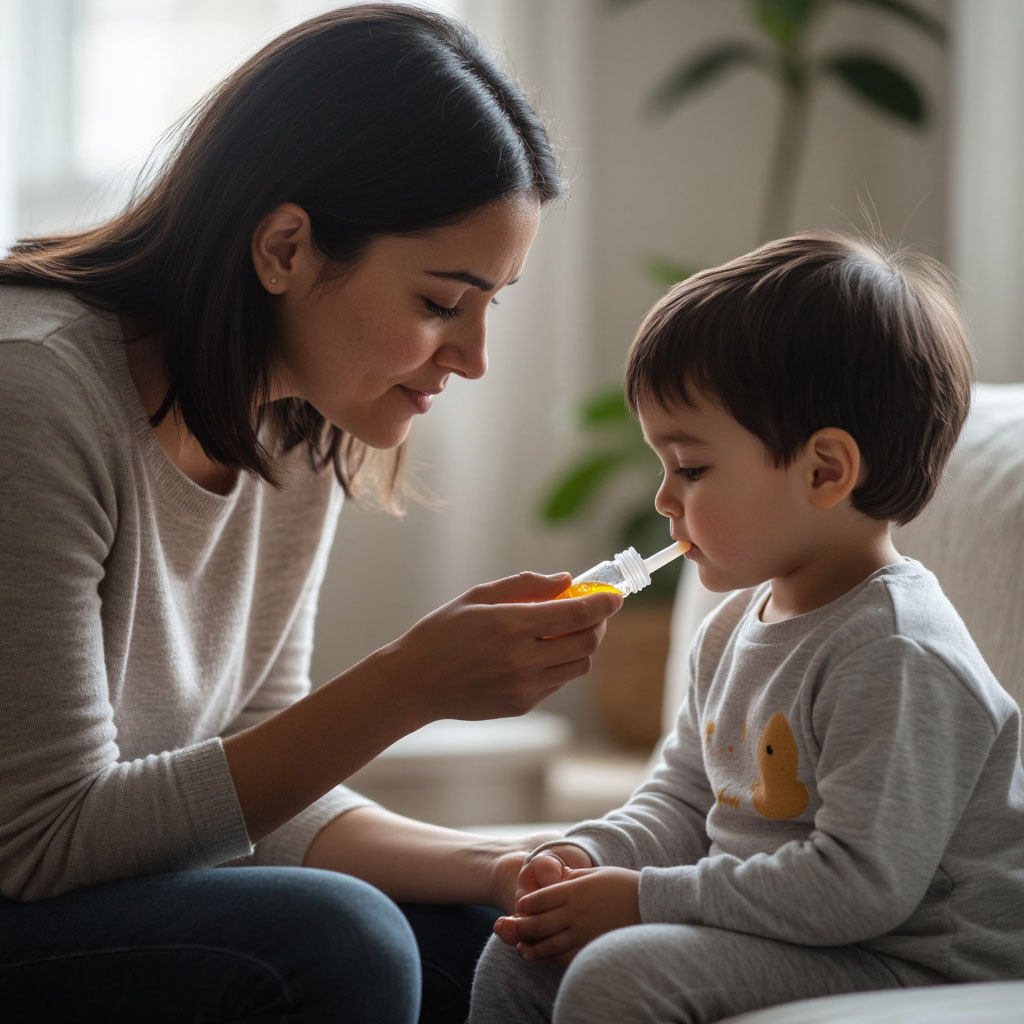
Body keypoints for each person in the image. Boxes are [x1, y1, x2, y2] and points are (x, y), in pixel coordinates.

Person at [0, 5, 624, 1022]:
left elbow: (251, 791)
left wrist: (499, 866)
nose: (471, 357)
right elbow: (41, 839)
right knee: (341, 938)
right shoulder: (31, 394)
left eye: (489, 305)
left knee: (485, 945)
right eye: (439, 302)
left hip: (75, 893)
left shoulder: (294, 425)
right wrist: (407, 684)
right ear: (286, 245)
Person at [468, 232, 1024, 1024]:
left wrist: (645, 899)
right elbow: (682, 801)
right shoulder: (733, 627)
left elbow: (856, 887)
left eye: (690, 467)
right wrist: (590, 855)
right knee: (523, 954)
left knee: (623, 977)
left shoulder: (896, 651)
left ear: (825, 472)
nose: (665, 499)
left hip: (916, 960)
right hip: (801, 939)